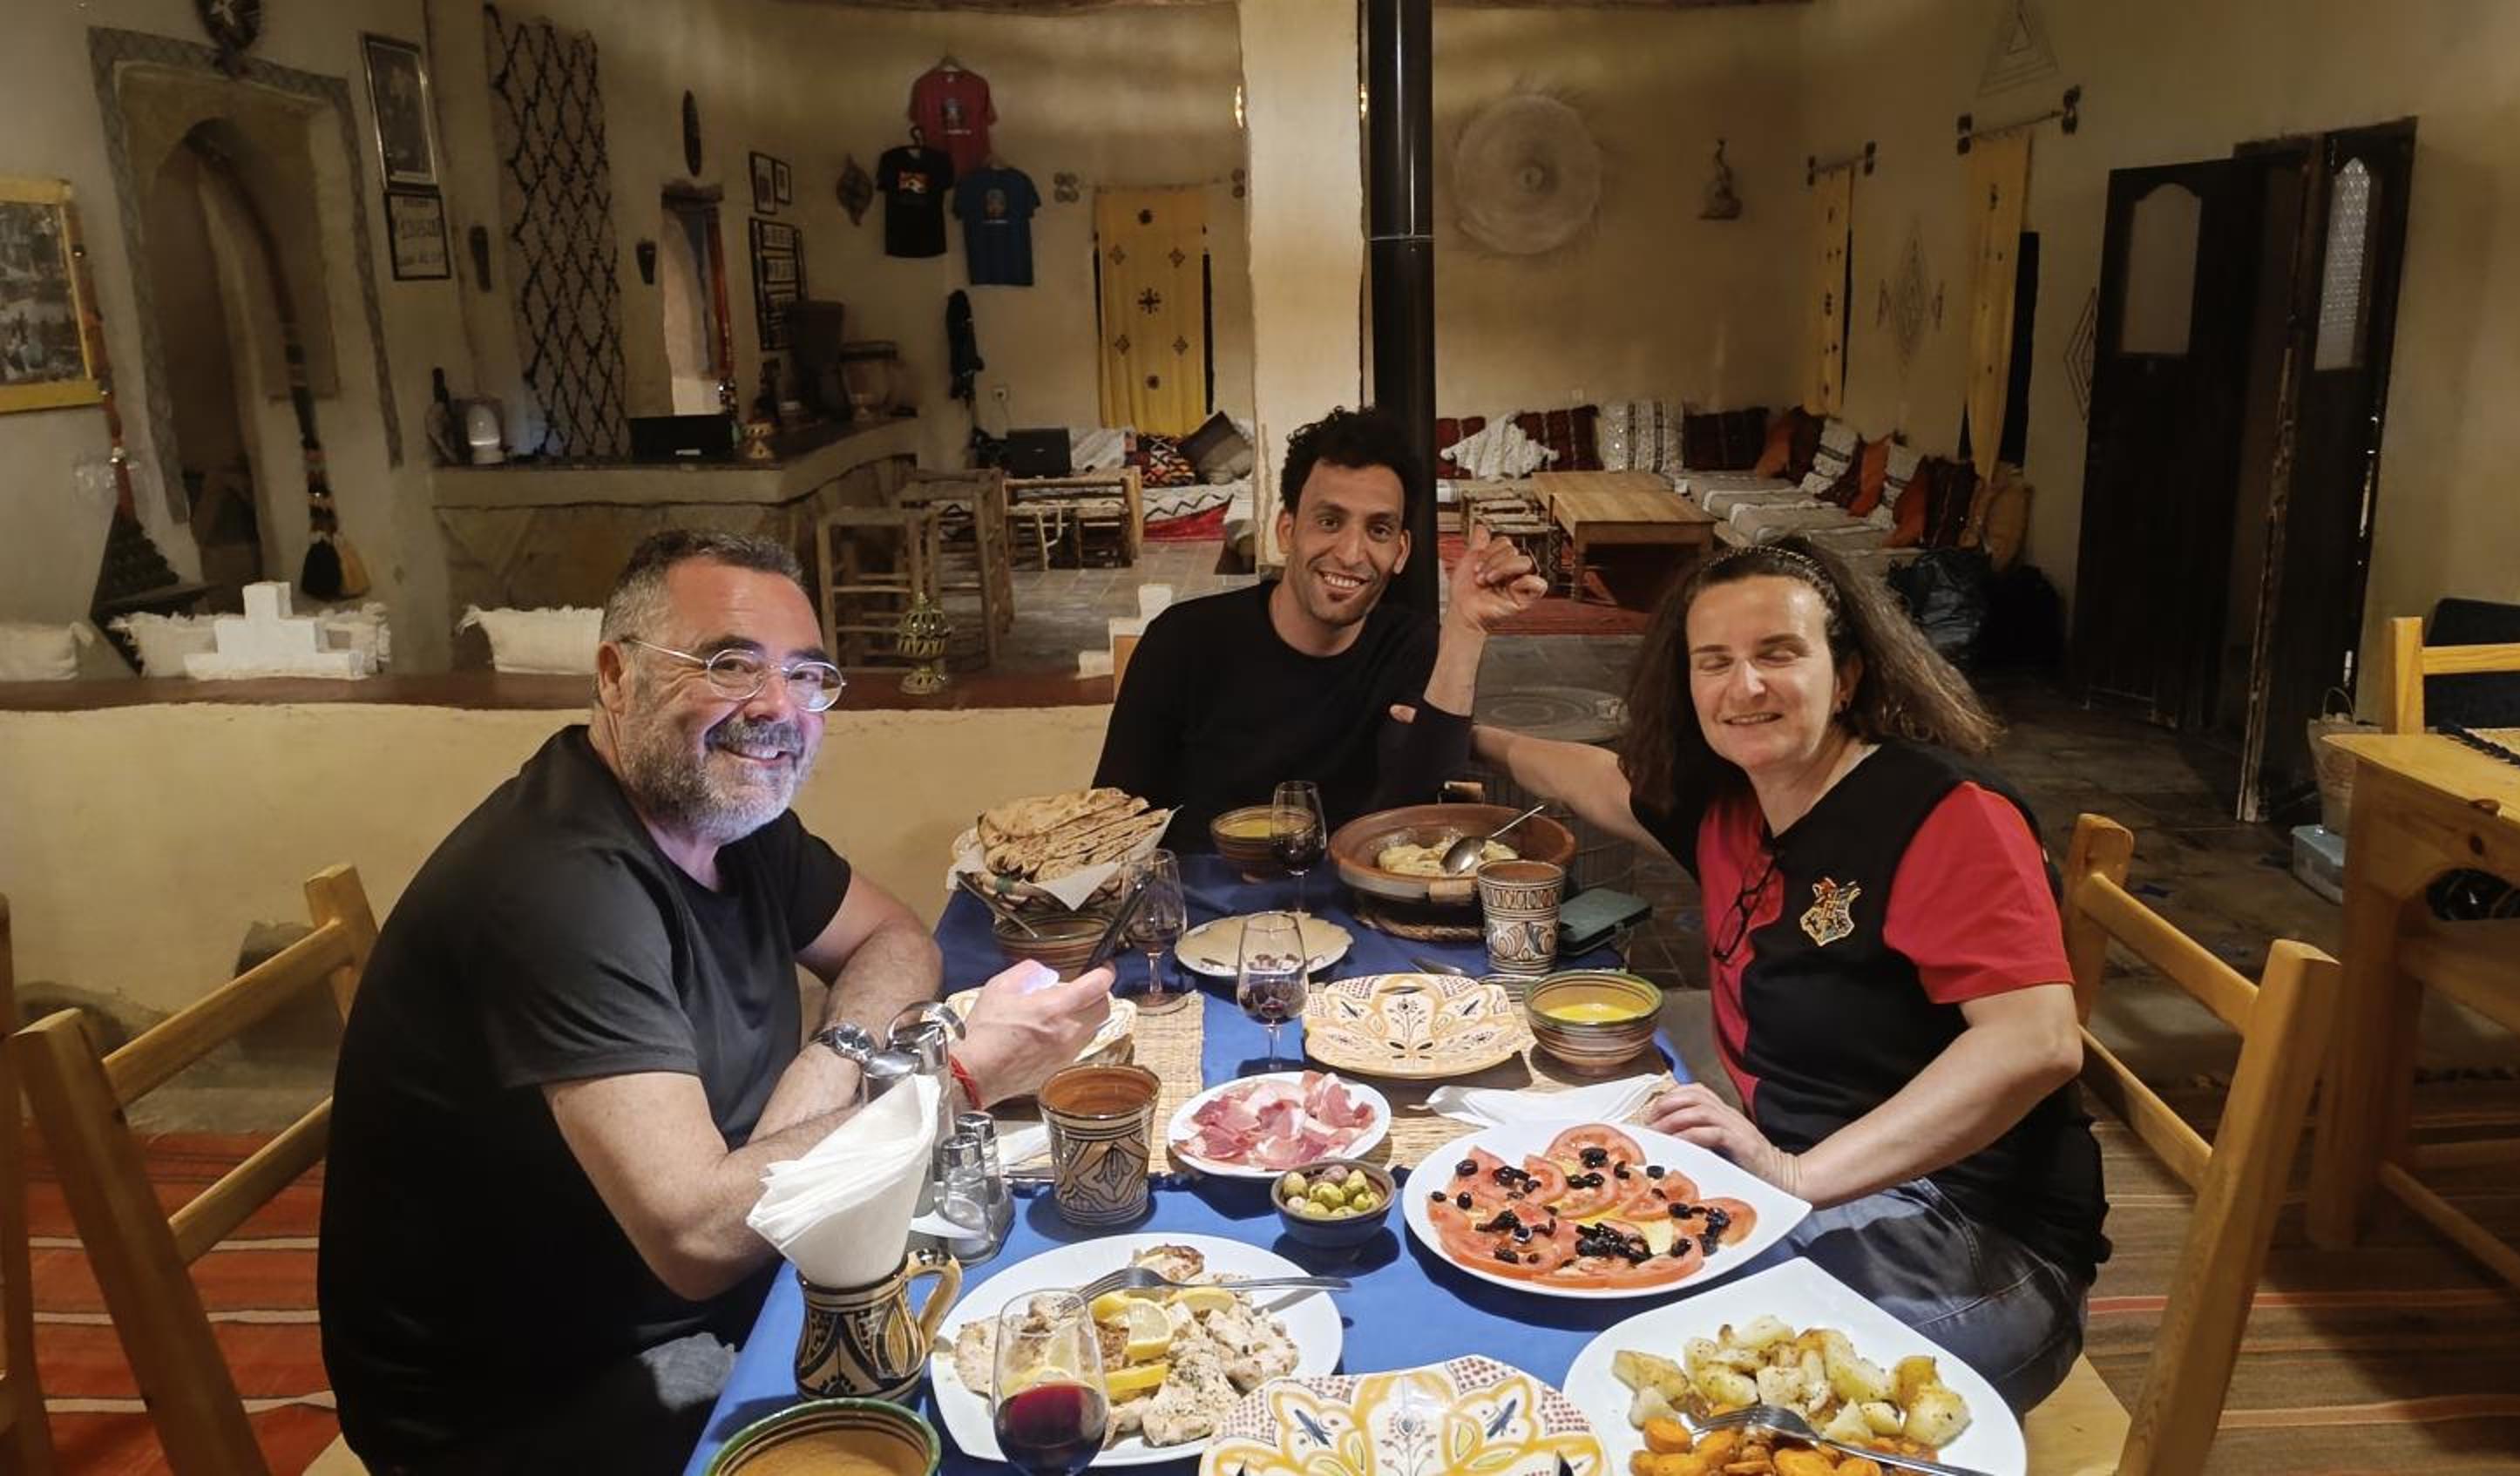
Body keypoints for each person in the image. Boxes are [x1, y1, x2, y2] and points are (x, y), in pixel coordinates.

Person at [319, 530, 1114, 1473]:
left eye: (807, 676)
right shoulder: (559, 887)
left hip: (720, 1281)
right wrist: (959, 1078)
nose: (778, 708)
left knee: (1052, 1315)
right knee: (991, 1404)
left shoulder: (726, 817)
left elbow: (896, 938)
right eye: (730, 665)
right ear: (616, 676)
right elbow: (696, 1236)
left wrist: (833, 1057)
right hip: (542, 1399)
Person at [1471, 534, 2103, 1413]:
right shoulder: (1734, 803)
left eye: (1778, 653)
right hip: (1806, 1186)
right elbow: (1602, 781)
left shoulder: (1943, 814)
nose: (1745, 686)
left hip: (1974, 1232)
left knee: (1673, 1381)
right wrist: (1480, 741)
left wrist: (1798, 1177)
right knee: (1574, 1264)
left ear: (1846, 676)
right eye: (1714, 661)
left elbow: (2036, 1042)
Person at [1094, 405, 1545, 850]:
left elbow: (1422, 818)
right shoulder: (1183, 640)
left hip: (1357, 889)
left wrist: (1467, 628)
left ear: (1401, 551)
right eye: (1329, 522)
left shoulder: (1413, 646)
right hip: (1201, 893)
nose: (1350, 553)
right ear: (1286, 531)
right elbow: (1114, 824)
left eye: (1379, 530)